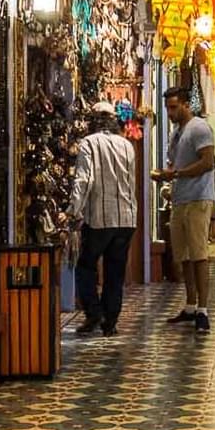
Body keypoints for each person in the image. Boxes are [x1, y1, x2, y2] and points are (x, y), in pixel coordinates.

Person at [70, 100, 138, 338]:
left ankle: (93, 312)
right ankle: (111, 321)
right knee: (115, 272)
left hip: (100, 217)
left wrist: (73, 210)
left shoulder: (89, 143)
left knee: (86, 266)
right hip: (126, 219)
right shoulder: (127, 145)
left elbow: (83, 180)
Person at [152, 87, 215, 333]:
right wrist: (167, 178)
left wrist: (176, 174)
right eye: (168, 108)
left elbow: (207, 162)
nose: (170, 112)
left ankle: (203, 310)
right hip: (180, 199)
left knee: (199, 255)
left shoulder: (199, 128)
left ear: (186, 104)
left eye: (174, 107)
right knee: (184, 257)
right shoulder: (176, 133)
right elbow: (174, 163)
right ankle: (190, 305)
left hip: (198, 199)